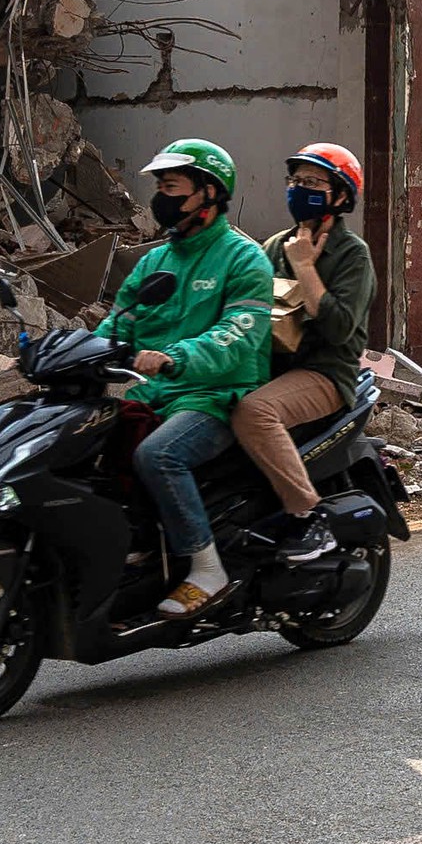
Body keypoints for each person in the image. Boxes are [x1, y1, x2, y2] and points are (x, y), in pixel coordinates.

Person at [119, 139, 276, 619]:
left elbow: (237, 336)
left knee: (158, 454)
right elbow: (119, 320)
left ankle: (207, 568)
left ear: (209, 192)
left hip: (217, 396)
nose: (162, 197)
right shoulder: (154, 261)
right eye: (160, 187)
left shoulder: (243, 259)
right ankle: (139, 544)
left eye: (172, 187)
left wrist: (173, 358)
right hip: (158, 394)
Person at [228, 143, 376, 563]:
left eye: (312, 182)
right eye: (295, 181)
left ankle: (308, 517)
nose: (299, 190)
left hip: (325, 373)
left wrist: (306, 268)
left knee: (254, 412)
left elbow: (338, 327)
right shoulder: (275, 246)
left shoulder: (352, 255)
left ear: (340, 194)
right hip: (272, 366)